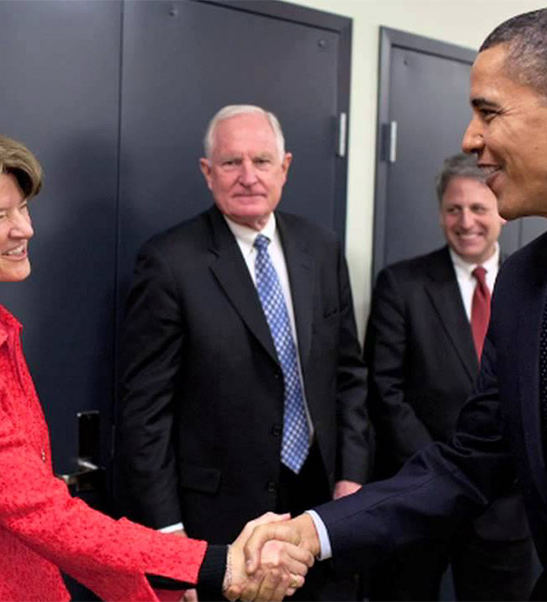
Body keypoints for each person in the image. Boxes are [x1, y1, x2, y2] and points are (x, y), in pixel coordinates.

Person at [243, 5, 547, 600]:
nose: (470, 139)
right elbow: (473, 460)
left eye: (489, 111)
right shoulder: (526, 281)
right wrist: (316, 530)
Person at [0, 126, 313, 602]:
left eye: (23, 207)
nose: (25, 228)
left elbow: (45, 519)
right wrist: (209, 565)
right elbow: (42, 515)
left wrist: (166, 586)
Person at [117, 105, 370, 599]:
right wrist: (169, 539)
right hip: (216, 518)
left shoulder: (320, 248)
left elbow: (348, 374)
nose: (248, 176)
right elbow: (145, 412)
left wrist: (352, 477)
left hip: (317, 506)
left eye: (262, 160)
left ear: (286, 167)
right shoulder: (169, 261)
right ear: (207, 172)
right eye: (231, 163)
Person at [365, 153, 534, 601]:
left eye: (478, 208)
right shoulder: (401, 285)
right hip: (419, 498)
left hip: (507, 507)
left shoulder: (536, 283)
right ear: (441, 214)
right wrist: (440, 480)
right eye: (454, 209)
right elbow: (386, 392)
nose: (466, 222)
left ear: (499, 209)